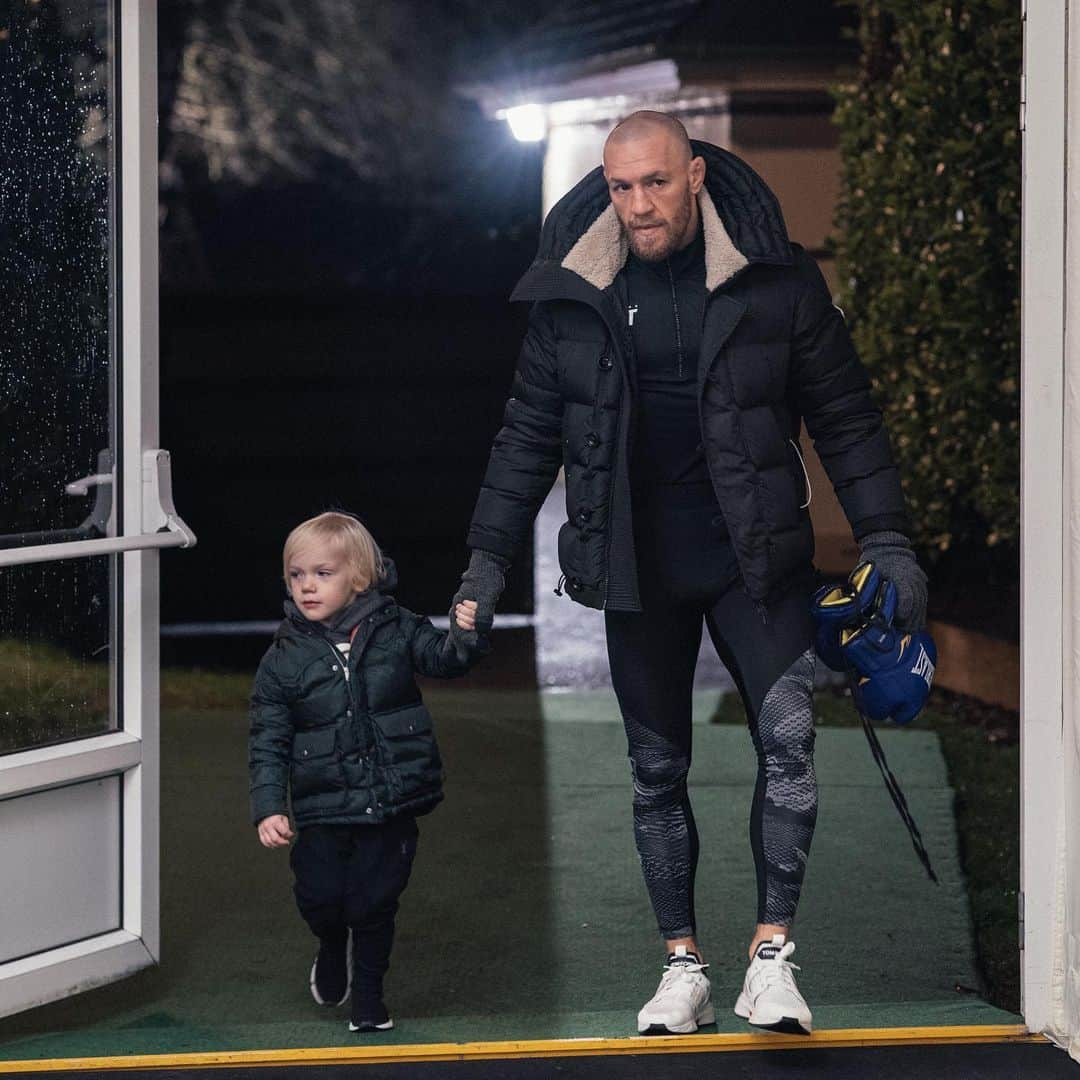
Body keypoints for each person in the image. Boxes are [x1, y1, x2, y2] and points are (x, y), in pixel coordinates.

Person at [450, 112, 927, 1036]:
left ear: (696, 175)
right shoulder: (573, 294)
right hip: (638, 569)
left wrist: (887, 539)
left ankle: (772, 957)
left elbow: (846, 416)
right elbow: (525, 438)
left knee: (788, 748)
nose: (638, 206)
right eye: (621, 187)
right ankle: (683, 968)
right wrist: (485, 562)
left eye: (656, 184)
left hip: (757, 562)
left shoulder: (775, 279)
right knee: (655, 771)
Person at [249, 511, 487, 1033]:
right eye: (296, 575)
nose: (307, 586)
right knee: (320, 896)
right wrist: (269, 805)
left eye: (322, 573)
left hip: (390, 797)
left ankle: (370, 1000)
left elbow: (444, 658)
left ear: (358, 577)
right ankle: (331, 944)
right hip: (322, 804)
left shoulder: (397, 627)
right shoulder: (284, 656)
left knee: (374, 901)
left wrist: (465, 634)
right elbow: (268, 736)